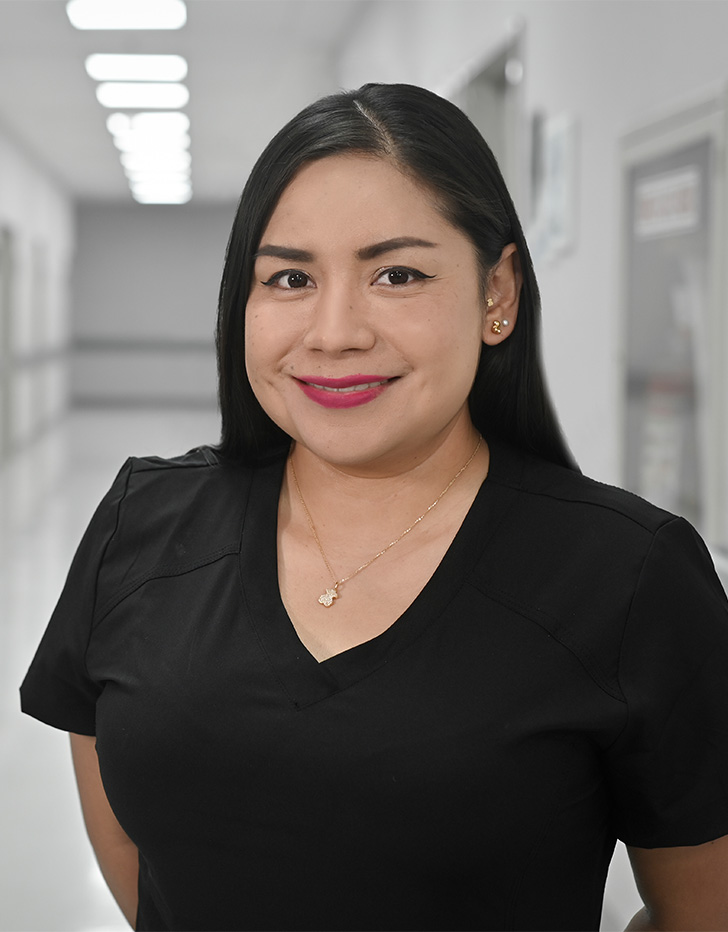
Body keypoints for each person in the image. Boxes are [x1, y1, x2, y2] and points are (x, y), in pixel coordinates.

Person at [20, 83, 728, 932]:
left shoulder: (630, 577)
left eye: (398, 274)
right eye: (288, 277)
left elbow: (703, 913)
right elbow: (146, 877)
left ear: (497, 293)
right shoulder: (143, 524)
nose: (334, 331)